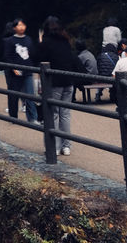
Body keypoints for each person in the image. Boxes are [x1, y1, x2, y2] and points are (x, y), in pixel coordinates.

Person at [36, 16, 85, 156]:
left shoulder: (46, 43)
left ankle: (55, 147)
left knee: (54, 114)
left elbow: (37, 57)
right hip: (68, 82)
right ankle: (66, 146)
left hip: (54, 83)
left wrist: (40, 41)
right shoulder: (66, 41)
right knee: (65, 114)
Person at [2, 18, 38, 122]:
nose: (21, 27)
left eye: (23, 25)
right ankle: (13, 117)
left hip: (27, 70)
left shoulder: (29, 39)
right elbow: (7, 56)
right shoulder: (10, 41)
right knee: (14, 95)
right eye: (19, 25)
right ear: (14, 28)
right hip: (15, 72)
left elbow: (32, 54)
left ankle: (32, 118)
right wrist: (13, 68)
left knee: (30, 95)